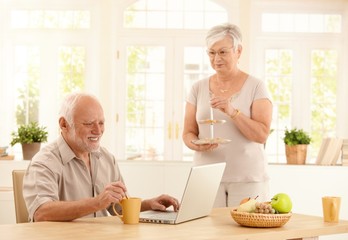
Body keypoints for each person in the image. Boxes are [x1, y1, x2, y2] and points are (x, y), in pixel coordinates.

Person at [23, 92, 179, 222]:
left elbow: (117, 208)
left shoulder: (106, 158)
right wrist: (97, 202)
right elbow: (41, 213)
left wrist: (147, 205)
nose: (98, 131)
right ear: (64, 124)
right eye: (89, 123)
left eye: (101, 123)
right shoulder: (45, 162)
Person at [182, 23, 273, 208]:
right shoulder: (197, 88)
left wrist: (232, 111)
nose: (216, 59)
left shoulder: (256, 86)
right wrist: (196, 145)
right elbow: (188, 132)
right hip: (206, 176)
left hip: (247, 178)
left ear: (238, 51)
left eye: (223, 52)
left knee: (245, 234)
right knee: (207, 233)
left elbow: (262, 134)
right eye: (211, 53)